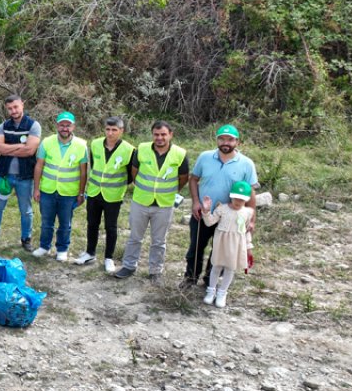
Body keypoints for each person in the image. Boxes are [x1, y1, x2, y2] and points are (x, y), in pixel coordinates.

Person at [185, 124, 259, 287]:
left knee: (221, 252)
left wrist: (252, 219)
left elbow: (251, 193)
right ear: (217, 140)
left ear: (237, 142)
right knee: (196, 247)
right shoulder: (205, 157)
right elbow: (194, 179)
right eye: (222, 139)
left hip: (230, 217)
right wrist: (196, 202)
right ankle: (190, 278)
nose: (226, 142)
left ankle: (209, 282)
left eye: (230, 139)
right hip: (203, 213)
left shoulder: (246, 164)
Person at [113, 121, 188, 281]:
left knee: (159, 241)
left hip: (164, 204)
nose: (159, 138)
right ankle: (129, 266)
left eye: (163, 134)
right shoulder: (142, 149)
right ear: (152, 134)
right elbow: (134, 172)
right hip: (141, 201)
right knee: (134, 237)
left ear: (170, 135)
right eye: (156, 134)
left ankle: (155, 271)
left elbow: (183, 178)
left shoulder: (180, 153)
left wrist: (170, 191)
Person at [77, 116, 134, 272]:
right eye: (108, 129)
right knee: (92, 224)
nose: (110, 133)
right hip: (94, 192)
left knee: (111, 227)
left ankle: (109, 258)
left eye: (114, 130)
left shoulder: (129, 149)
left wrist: (117, 185)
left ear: (121, 131)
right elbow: (94, 166)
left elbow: (130, 174)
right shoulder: (95, 144)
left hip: (113, 195)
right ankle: (89, 252)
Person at [32, 112, 88, 261]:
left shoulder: (81, 145)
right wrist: (36, 188)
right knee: (46, 222)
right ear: (57, 126)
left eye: (68, 125)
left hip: (68, 192)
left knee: (65, 223)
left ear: (73, 127)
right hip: (48, 190)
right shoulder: (47, 142)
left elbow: (83, 172)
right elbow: (39, 166)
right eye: (62, 125)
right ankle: (44, 246)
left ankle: (62, 249)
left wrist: (81, 193)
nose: (65, 128)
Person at [0, 94, 40, 251]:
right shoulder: (3, 126)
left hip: (25, 177)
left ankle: (26, 238)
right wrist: (20, 147)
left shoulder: (33, 125)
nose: (13, 110)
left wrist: (8, 148)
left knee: (26, 210)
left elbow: (30, 151)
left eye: (16, 107)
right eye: (10, 108)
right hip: (4, 176)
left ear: (22, 105)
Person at [201, 181, 255, 308]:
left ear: (246, 200)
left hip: (236, 245)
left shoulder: (247, 213)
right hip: (221, 243)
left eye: (242, 199)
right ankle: (211, 291)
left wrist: (248, 247)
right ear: (231, 196)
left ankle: (222, 293)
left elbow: (246, 231)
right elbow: (209, 222)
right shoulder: (222, 209)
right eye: (236, 198)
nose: (238, 201)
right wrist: (206, 211)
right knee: (216, 266)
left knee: (230, 268)